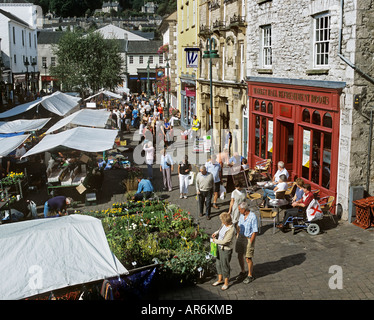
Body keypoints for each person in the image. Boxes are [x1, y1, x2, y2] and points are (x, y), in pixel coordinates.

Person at [211, 212, 235, 291]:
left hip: (225, 249)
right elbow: (220, 230)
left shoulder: (231, 229)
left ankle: (226, 283)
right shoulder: (224, 224)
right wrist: (216, 233)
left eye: (222, 220)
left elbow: (225, 241)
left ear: (226, 222)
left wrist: (215, 240)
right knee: (218, 263)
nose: (221, 222)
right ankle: (220, 279)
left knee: (225, 265)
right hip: (219, 247)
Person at [235, 201, 258, 284]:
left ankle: (250, 275)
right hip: (241, 237)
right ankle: (243, 271)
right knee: (239, 255)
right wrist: (237, 235)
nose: (239, 211)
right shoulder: (242, 215)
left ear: (244, 209)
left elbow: (255, 231)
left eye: (239, 209)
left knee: (248, 258)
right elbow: (238, 226)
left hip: (248, 238)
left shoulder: (253, 217)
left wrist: (250, 242)